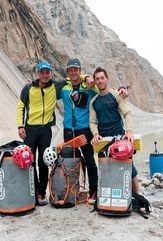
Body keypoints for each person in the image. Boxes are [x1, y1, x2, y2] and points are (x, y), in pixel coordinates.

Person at [58, 58, 128, 203]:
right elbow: (47, 88)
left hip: (85, 130)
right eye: (71, 70)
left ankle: (94, 192)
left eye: (76, 70)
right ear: (67, 72)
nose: (73, 72)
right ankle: (71, 191)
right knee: (70, 162)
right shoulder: (63, 87)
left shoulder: (89, 86)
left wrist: (122, 88)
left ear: (80, 71)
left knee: (90, 161)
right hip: (68, 131)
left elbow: (105, 89)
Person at [17, 61, 66, 206]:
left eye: (48, 72)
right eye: (42, 72)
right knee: (29, 161)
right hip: (30, 129)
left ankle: (42, 192)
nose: (45, 75)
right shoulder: (28, 88)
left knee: (44, 161)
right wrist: (20, 126)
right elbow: (21, 107)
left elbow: (74, 78)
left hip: (46, 130)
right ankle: (32, 189)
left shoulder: (56, 86)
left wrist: (87, 78)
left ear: (51, 74)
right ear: (37, 74)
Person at [89, 66, 140, 195]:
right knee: (106, 169)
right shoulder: (93, 101)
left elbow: (127, 113)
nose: (100, 81)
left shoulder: (116, 95)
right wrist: (95, 134)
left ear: (107, 79)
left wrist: (129, 131)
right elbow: (92, 122)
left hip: (119, 138)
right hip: (103, 143)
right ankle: (111, 199)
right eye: (97, 79)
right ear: (94, 82)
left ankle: (137, 198)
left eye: (102, 78)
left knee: (129, 167)